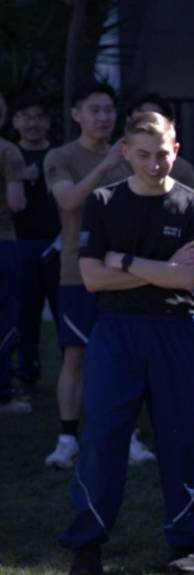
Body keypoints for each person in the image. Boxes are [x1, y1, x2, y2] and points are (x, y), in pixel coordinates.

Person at [60, 111, 194, 575]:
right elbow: (91, 277)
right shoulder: (104, 202)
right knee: (103, 437)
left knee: (185, 438)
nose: (153, 164)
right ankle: (87, 545)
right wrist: (158, 267)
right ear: (124, 152)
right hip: (117, 330)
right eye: (143, 155)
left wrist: (123, 260)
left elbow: (186, 278)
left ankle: (184, 543)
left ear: (176, 151)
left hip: (177, 331)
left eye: (162, 154)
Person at [43, 82, 155, 467]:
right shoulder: (61, 156)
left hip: (127, 272)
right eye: (95, 110)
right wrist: (106, 166)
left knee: (128, 356)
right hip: (78, 272)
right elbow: (69, 201)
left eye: (109, 110)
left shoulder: (132, 156)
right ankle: (67, 439)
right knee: (76, 356)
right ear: (77, 114)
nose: (103, 117)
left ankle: (130, 437)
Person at [9, 94, 61, 398]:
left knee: (62, 309)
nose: (32, 123)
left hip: (56, 244)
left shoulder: (58, 156)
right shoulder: (8, 155)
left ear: (49, 122)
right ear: (14, 121)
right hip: (19, 244)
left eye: (39, 116)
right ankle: (26, 372)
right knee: (24, 314)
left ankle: (75, 373)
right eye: (26, 116)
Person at [0, 93, 29, 415]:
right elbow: (18, 202)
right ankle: (3, 393)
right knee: (5, 318)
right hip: (3, 240)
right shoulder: (8, 152)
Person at [127, 95, 194, 190]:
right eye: (141, 118)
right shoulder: (112, 163)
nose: (153, 166)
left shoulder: (181, 170)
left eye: (153, 120)